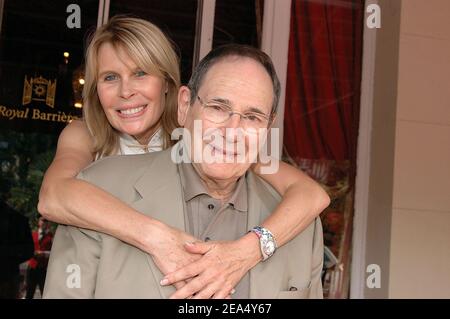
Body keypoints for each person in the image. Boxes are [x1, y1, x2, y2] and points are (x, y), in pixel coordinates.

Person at [39, 16, 329, 298]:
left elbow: (310, 194)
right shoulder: (86, 143)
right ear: (186, 105)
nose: (126, 91)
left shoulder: (206, 141)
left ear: (168, 85)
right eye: (110, 77)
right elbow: (54, 197)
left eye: (140, 73)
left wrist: (249, 249)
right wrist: (156, 236)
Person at [0, 200, 34, 299]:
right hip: (9, 276)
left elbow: (28, 250)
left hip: (7, 278)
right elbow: (28, 251)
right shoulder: (19, 219)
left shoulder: (17, 219)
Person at [25, 217, 53, 299]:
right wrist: (32, 252)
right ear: (39, 223)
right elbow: (27, 249)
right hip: (32, 267)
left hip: (43, 268)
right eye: (42, 221)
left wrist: (44, 254)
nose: (44, 223)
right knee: (29, 292)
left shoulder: (51, 236)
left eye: (46, 221)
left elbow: (54, 252)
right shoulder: (33, 234)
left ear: (48, 224)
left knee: (44, 293)